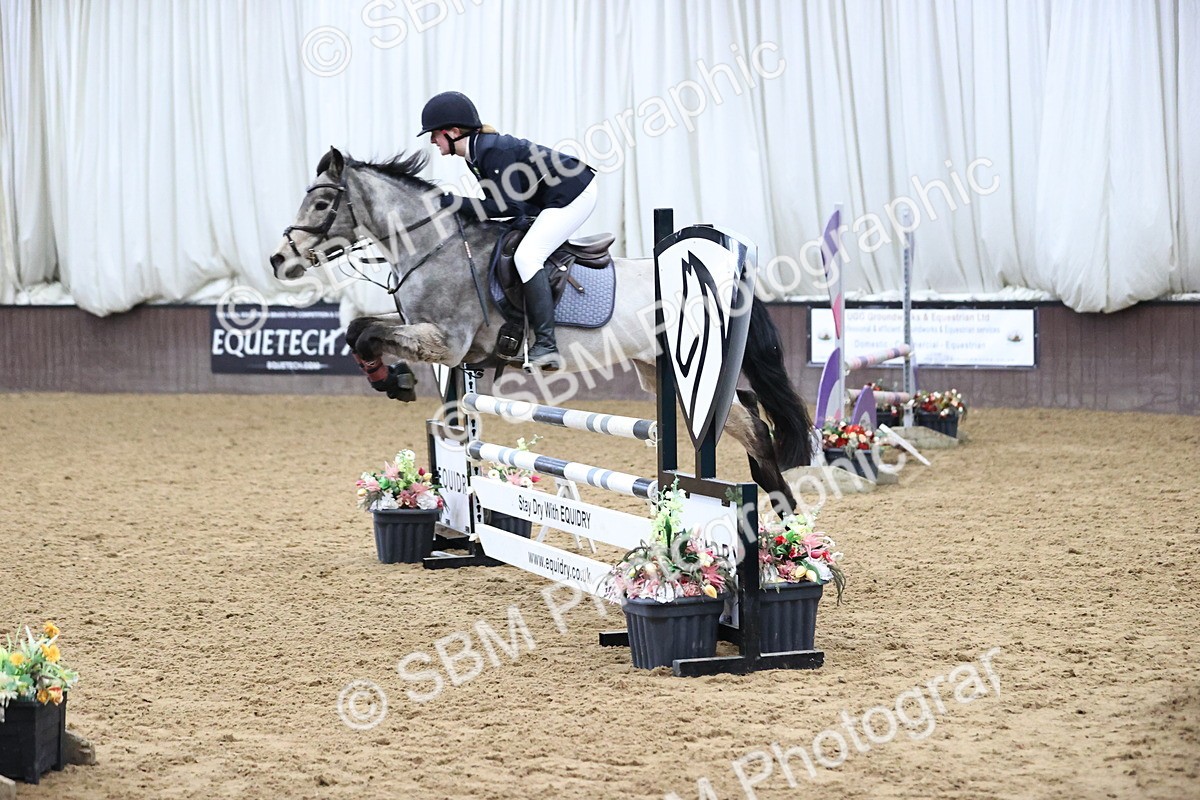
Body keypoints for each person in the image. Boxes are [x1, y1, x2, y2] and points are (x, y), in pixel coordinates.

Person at [418, 91, 597, 372]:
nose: (432, 141)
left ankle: (547, 346)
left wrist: (451, 202)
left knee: (528, 256)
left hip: (573, 193)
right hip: (546, 198)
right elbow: (503, 207)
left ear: (452, 132)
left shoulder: (491, 151)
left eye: (434, 134)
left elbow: (506, 206)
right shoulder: (476, 154)